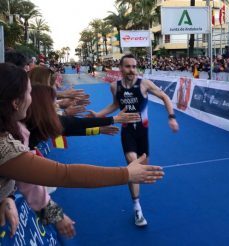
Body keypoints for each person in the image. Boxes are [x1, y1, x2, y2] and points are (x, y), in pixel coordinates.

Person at [0, 63, 164, 232]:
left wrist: (9, 197)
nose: (32, 98)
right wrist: (126, 174)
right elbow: (64, 174)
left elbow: (26, 182)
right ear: (15, 103)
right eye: (29, 93)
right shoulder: (6, 145)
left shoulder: (18, 130)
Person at [88, 54, 179, 227]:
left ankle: (136, 196)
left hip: (143, 132)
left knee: (143, 168)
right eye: (128, 67)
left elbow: (165, 97)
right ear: (121, 68)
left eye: (134, 66)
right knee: (133, 165)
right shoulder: (114, 86)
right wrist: (99, 114)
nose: (132, 70)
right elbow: (116, 104)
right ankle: (137, 207)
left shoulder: (144, 84)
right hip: (127, 131)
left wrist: (172, 117)